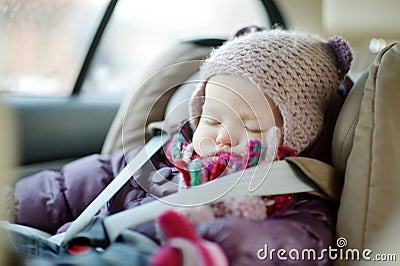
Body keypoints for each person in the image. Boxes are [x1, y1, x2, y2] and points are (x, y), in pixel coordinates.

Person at [8, 27, 352, 265]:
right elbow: (67, 189)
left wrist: (211, 249)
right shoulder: (160, 157)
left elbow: (292, 245)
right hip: (63, 246)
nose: (221, 136)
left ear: (299, 137)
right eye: (213, 119)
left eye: (252, 127)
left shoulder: (293, 199)